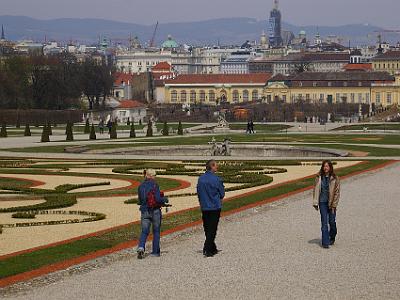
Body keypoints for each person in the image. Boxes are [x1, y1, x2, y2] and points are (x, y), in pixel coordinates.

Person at [137, 169, 168, 259]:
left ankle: (141, 247)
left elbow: (140, 200)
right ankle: (155, 252)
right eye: (154, 175)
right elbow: (158, 199)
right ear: (150, 176)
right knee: (156, 231)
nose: (155, 177)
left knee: (144, 231)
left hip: (144, 210)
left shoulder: (140, 186)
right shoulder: (155, 185)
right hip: (155, 211)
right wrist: (165, 199)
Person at [197, 160, 225, 257]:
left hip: (204, 206)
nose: (217, 167)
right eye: (216, 166)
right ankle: (207, 248)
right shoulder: (216, 179)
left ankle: (213, 248)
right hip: (214, 206)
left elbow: (199, 193)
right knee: (212, 229)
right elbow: (222, 193)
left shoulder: (200, 179)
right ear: (212, 167)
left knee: (207, 228)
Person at [312, 160, 341, 249]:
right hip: (322, 202)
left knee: (332, 222)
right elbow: (315, 190)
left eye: (327, 166)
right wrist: (315, 202)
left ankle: (332, 235)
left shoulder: (335, 178)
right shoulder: (318, 177)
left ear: (330, 167)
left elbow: (337, 193)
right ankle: (325, 242)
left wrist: (334, 205)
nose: (325, 168)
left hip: (331, 203)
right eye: (324, 166)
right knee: (324, 222)